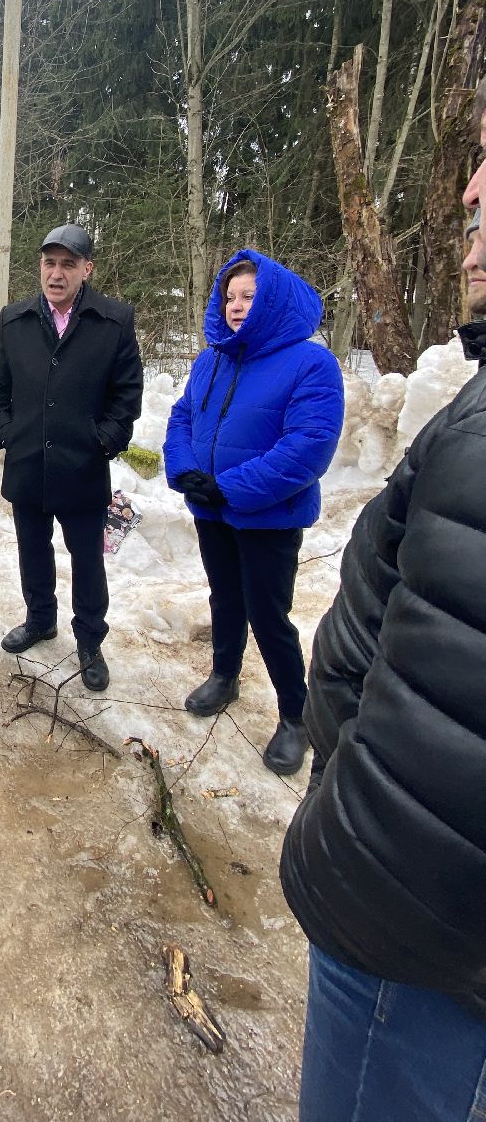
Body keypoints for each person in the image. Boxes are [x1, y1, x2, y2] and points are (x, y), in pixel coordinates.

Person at [278, 101, 486, 1122]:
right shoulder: (475, 405)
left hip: (413, 924)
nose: (471, 198)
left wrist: (352, 798)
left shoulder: (310, 362)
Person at [163, 251, 344, 775]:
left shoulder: (311, 363)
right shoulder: (211, 359)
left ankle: (296, 716)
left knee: (267, 614)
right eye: (231, 297)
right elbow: (181, 417)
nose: (237, 307)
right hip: (213, 510)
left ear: (273, 302)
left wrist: (230, 487)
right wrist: (185, 470)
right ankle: (225, 675)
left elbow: (309, 446)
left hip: (268, 517)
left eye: (249, 297)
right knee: (224, 597)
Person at [0, 224, 143, 691]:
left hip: (83, 468)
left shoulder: (113, 321)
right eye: (49, 263)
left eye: (68, 264)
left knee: (86, 559)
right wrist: (5, 430)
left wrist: (103, 441)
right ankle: (39, 620)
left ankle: (90, 640)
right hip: (28, 464)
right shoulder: (14, 320)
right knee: (33, 551)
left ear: (86, 269)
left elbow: (127, 393)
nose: (57, 273)